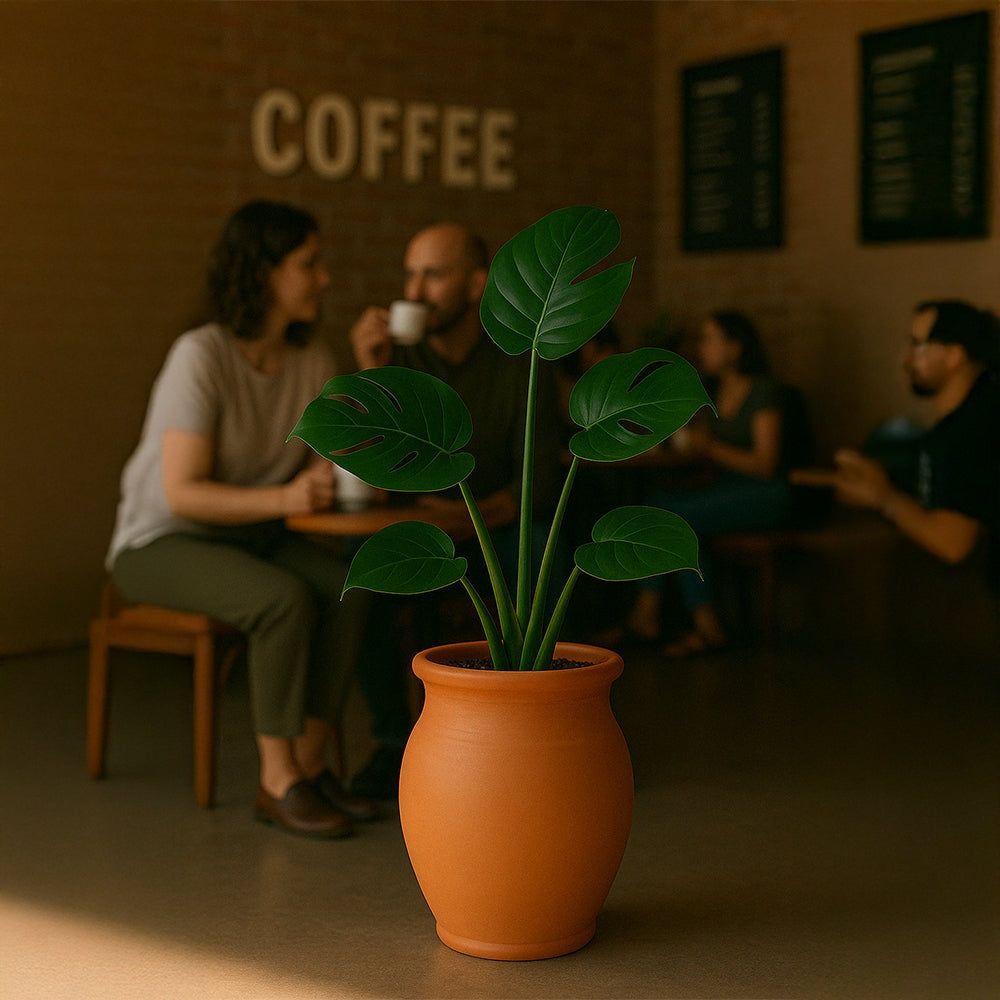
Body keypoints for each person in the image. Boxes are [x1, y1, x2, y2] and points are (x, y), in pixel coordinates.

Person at [106, 200, 377, 838]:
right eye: (309, 264)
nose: (326, 278)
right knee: (281, 600)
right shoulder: (200, 356)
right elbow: (183, 493)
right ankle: (277, 782)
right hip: (160, 542)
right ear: (263, 272)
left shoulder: (313, 363)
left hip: (251, 537)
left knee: (353, 584)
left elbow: (351, 466)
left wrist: (368, 373)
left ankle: (309, 770)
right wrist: (287, 500)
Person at [347, 221, 563, 799]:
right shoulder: (400, 354)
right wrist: (369, 371)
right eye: (409, 273)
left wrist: (475, 516)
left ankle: (530, 738)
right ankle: (395, 742)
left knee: (543, 550)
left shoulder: (521, 357)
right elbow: (369, 478)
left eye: (431, 275)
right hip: (423, 526)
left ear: (477, 285)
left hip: (500, 527)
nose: (412, 292)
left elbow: (539, 481)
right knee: (362, 570)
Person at [618, 309, 794, 656]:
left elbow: (765, 462)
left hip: (767, 494)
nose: (702, 347)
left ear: (735, 347)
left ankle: (653, 614)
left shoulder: (763, 391)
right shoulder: (711, 392)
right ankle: (701, 624)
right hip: (727, 490)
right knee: (665, 509)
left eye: (709, 339)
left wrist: (709, 447)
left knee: (667, 514)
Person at [808, 300, 1000, 583]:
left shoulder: (968, 430)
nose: (905, 359)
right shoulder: (974, 413)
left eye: (917, 346)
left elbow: (954, 544)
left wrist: (884, 498)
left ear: (954, 355)